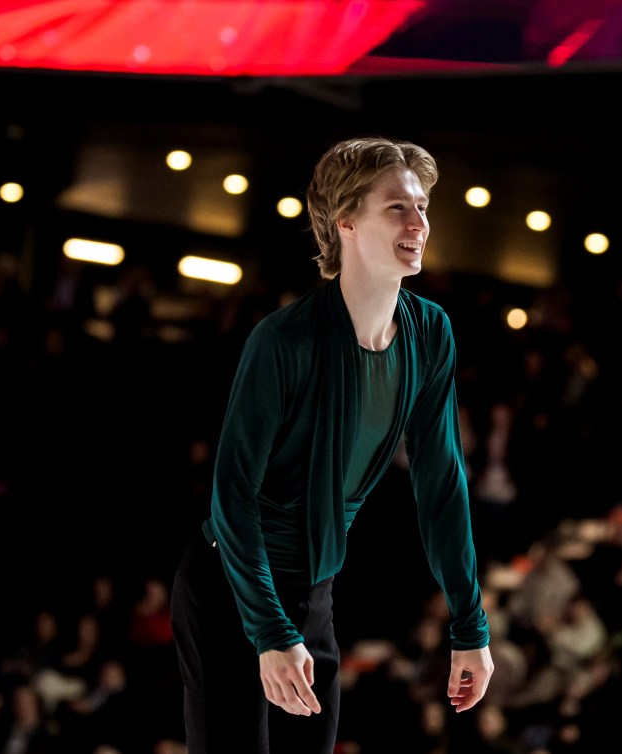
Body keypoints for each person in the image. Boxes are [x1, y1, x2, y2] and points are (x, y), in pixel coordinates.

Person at [170, 136, 494, 754]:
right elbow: (232, 495)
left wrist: (469, 625)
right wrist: (266, 630)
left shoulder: (431, 332)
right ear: (346, 219)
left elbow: (441, 481)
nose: (420, 222)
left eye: (423, 207)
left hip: (314, 593)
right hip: (229, 586)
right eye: (397, 207)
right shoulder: (283, 340)